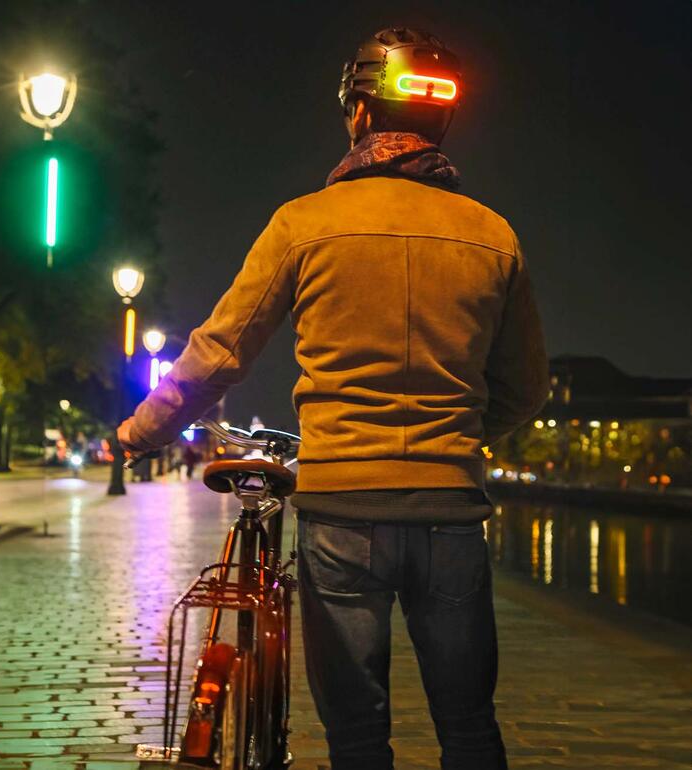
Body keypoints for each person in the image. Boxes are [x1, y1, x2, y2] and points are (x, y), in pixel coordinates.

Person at [118, 26, 548, 770]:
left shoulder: (302, 226)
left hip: (342, 511)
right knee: (470, 728)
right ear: (440, 119)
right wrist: (459, 440)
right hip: (450, 513)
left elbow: (221, 351)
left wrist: (141, 433)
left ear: (359, 114)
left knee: (356, 737)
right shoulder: (494, 236)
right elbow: (523, 388)